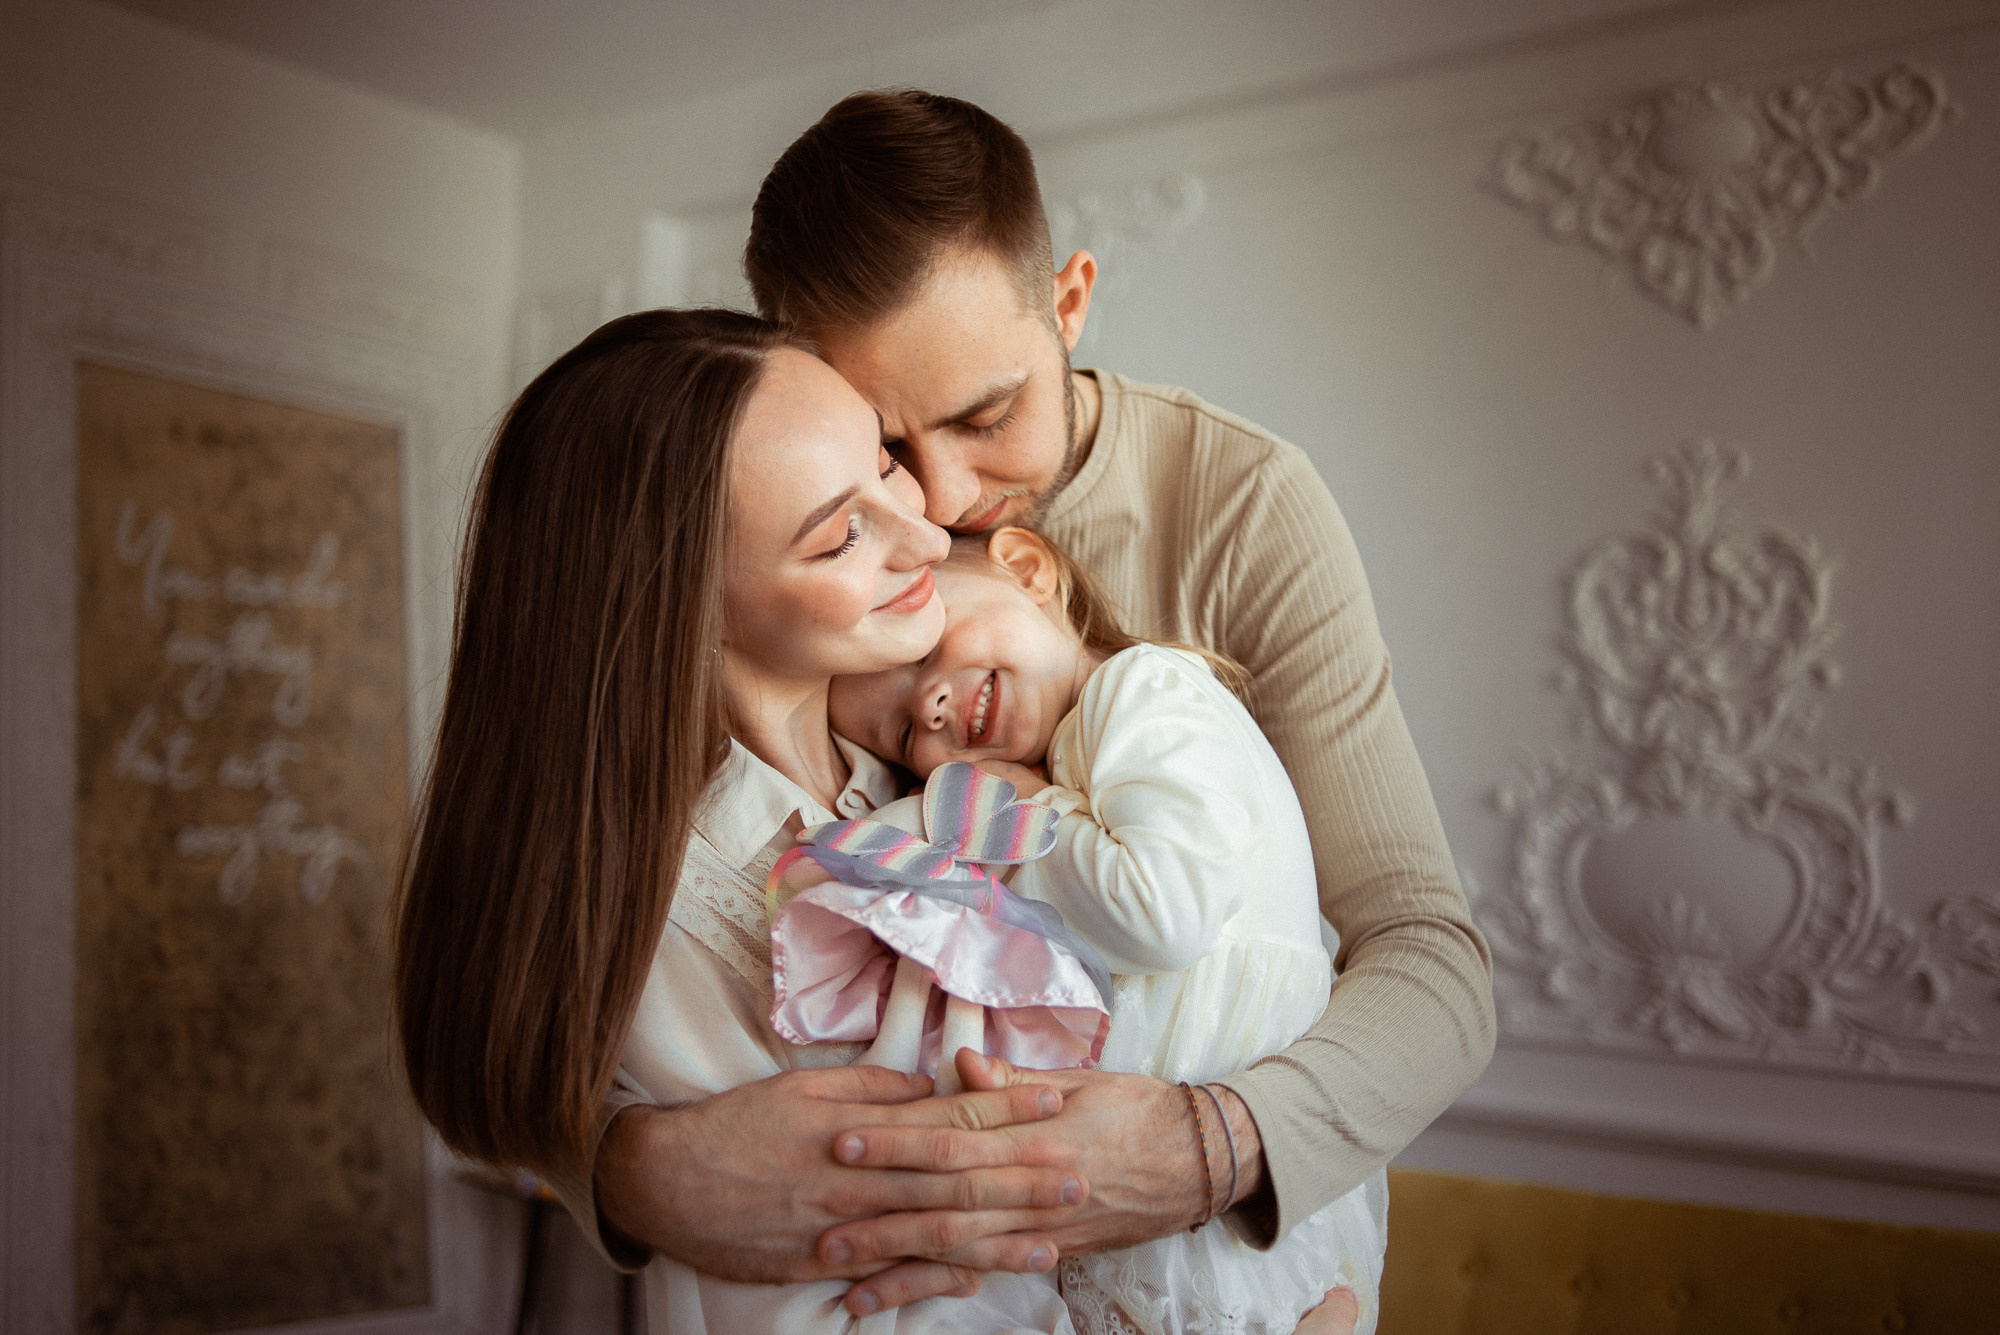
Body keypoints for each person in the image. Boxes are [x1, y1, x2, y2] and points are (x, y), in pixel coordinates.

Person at [577, 88, 1494, 1319]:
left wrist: (1197, 1151)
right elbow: (592, 951)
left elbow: (1431, 965)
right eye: (885, 448)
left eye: (986, 415)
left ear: (1065, 301)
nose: (943, 501)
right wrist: (629, 1171)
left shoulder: (1239, 504)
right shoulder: (769, 566)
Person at [823, 527, 1391, 1334]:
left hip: (1224, 1227)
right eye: (907, 738)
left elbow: (1165, 913)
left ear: (1028, 568)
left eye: (922, 652)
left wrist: (1018, 818)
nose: (929, 705)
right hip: (1156, 1219)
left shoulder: (1143, 686)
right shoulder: (1079, 764)